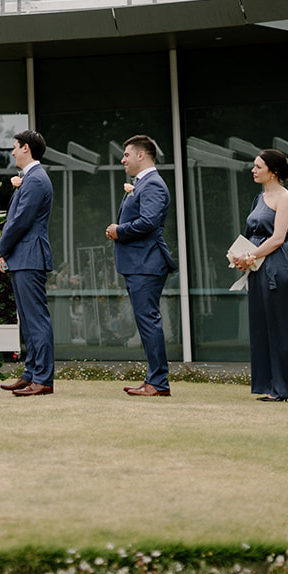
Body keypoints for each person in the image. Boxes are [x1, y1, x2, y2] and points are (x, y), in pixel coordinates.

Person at [233, 150, 288, 401]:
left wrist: (251, 256)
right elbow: (251, 234)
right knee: (262, 325)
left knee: (282, 324)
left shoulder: (285, 197)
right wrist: (240, 258)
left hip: (276, 265)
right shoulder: (259, 197)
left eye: (258, 166)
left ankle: (285, 387)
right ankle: (269, 385)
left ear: (273, 171)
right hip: (257, 265)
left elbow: (278, 238)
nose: (253, 170)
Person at [108, 134, 176, 397]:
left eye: (126, 154)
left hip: (147, 263)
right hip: (139, 263)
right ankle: (154, 380)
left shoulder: (153, 185)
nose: (122, 159)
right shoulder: (142, 184)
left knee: (149, 321)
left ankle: (158, 383)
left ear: (141, 155)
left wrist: (118, 230)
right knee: (146, 321)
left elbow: (148, 222)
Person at [0, 130, 55, 397]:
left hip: (30, 255)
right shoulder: (31, 178)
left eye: (15, 147)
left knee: (36, 320)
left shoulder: (35, 180)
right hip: (23, 256)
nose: (12, 152)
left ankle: (42, 378)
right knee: (29, 321)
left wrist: (0, 248)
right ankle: (31, 374)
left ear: (27, 149)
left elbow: (20, 221)